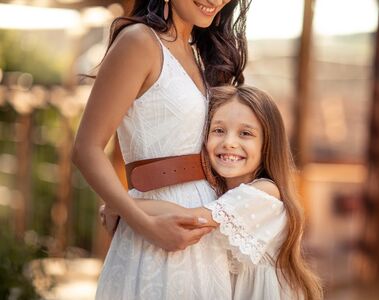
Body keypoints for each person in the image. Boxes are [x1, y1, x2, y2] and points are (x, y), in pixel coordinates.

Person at [72, 0, 250, 298]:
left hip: (203, 237)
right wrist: (143, 222)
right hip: (154, 235)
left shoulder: (201, 55)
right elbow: (86, 149)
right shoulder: (139, 42)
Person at [103, 85, 323, 299]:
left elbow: (192, 217)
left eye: (245, 133)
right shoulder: (218, 193)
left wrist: (121, 204)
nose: (229, 143)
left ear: (267, 144)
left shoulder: (265, 192)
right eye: (218, 130)